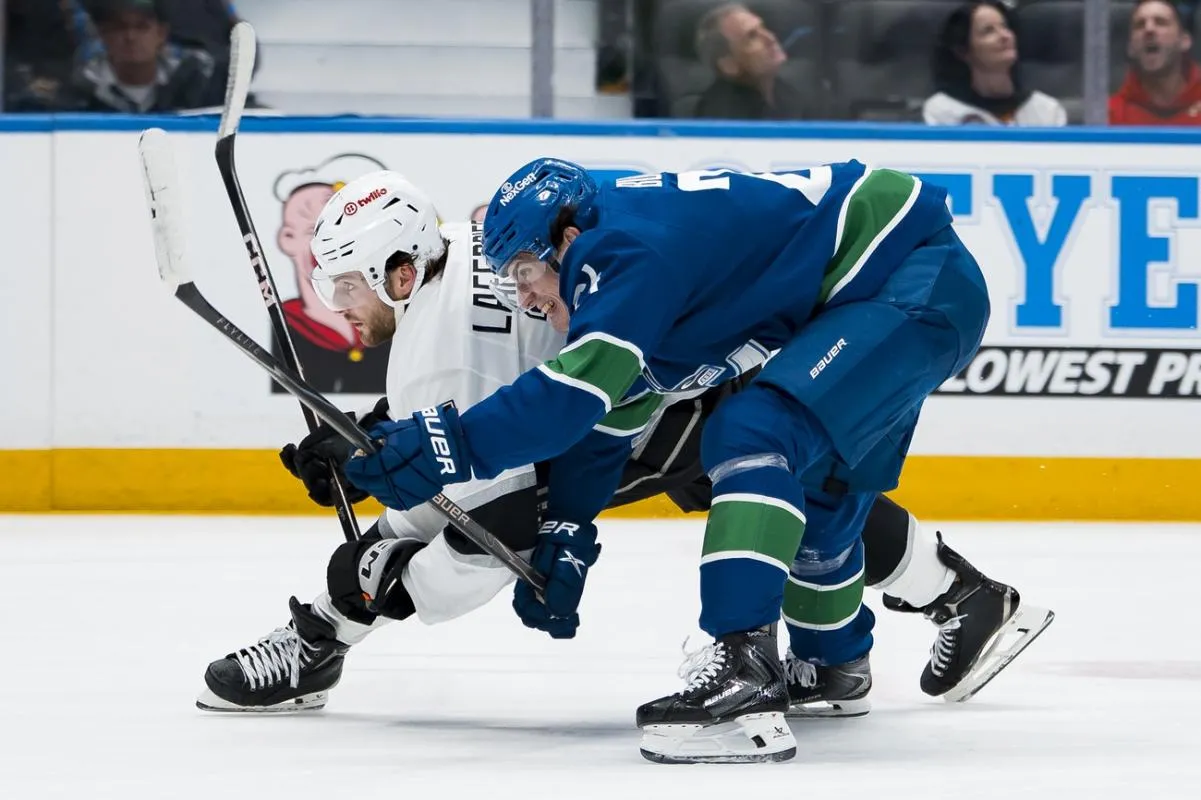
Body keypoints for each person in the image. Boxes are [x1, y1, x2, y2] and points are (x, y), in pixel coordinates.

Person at [198, 171, 1052, 724]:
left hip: (892, 273)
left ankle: (745, 663)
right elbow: (578, 404)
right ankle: (900, 631)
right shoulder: (477, 245)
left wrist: (416, 459)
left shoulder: (615, 258)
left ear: (397, 269)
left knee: (757, 444)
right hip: (818, 297)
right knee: (811, 491)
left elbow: (556, 401)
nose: (527, 298)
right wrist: (385, 438)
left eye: (531, 277)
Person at [61, 0, 226, 113]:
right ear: (103, 35)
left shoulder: (199, 88)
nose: (131, 37)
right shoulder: (77, 94)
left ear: (161, 34)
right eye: (119, 27)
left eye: (142, 27)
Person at [923, 0, 1067, 126]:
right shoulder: (941, 110)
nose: (1004, 36)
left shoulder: (1047, 110)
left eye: (1005, 27)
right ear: (962, 51)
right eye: (988, 31)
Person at [692, 3, 807, 120]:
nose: (771, 38)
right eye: (752, 36)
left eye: (763, 28)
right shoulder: (721, 117)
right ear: (728, 65)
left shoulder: (786, 92)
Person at [1110, 0, 1201, 124]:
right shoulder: (1110, 115)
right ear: (1130, 48)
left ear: (1184, 41)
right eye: (1140, 25)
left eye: (1161, 22)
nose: (1149, 29)